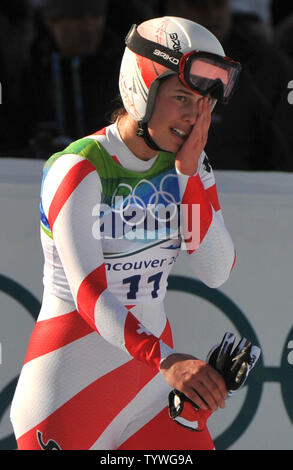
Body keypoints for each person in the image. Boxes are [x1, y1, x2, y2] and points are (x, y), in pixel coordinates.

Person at [10, 16, 238, 450]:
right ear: (141, 90)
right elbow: (88, 293)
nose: (194, 116)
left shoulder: (189, 163)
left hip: (150, 388)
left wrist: (190, 176)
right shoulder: (80, 166)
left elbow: (217, 269)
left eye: (203, 102)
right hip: (69, 392)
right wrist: (164, 359)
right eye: (181, 97)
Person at [159, 0, 293, 171]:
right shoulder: (143, 57)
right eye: (199, 6)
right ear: (172, 7)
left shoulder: (265, 67)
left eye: (218, 5)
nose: (213, 15)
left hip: (243, 190)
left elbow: (285, 154)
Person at [26, 0, 123, 158]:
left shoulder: (124, 66)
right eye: (77, 18)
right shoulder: (28, 69)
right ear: (51, 22)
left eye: (96, 16)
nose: (89, 27)